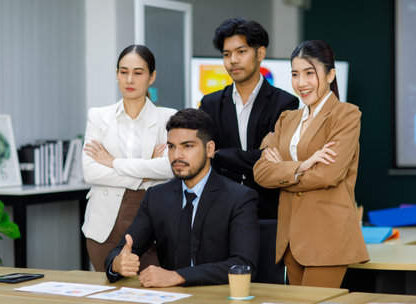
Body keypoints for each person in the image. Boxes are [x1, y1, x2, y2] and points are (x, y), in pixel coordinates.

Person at [253, 40, 369, 288]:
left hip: (326, 235)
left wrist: (282, 171)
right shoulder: (287, 119)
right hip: (290, 238)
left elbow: (328, 175)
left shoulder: (346, 115)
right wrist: (302, 166)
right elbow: (261, 172)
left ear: (330, 75)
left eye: (309, 73)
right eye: (295, 74)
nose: (301, 82)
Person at [105, 108, 260, 287]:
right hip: (171, 297)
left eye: (187, 146)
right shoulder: (156, 197)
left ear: (209, 149)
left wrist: (178, 276)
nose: (177, 155)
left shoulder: (239, 198)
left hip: (219, 296)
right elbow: (122, 249)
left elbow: (244, 264)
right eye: (171, 147)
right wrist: (116, 264)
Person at [82, 45, 176, 272]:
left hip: (151, 217)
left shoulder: (169, 117)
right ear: (116, 75)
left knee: (151, 290)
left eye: (138, 72)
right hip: (104, 224)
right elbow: (90, 171)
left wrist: (112, 162)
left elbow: (168, 168)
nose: (129, 79)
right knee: (108, 291)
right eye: (123, 72)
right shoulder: (98, 116)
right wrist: (144, 175)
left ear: (152, 77)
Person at [199, 17, 299, 219]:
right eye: (227, 54)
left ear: (260, 53)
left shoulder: (285, 104)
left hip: (269, 210)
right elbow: (203, 156)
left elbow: (275, 161)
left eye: (241, 52)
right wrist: (254, 156)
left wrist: (221, 154)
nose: (233, 60)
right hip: (221, 210)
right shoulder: (210, 104)